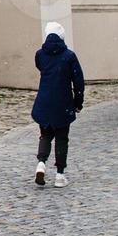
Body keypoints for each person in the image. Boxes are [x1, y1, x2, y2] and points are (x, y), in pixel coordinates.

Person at [32, 21, 85, 189]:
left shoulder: (40, 54)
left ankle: (41, 163)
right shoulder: (69, 56)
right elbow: (78, 81)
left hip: (45, 100)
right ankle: (60, 175)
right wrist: (78, 102)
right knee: (62, 138)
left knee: (45, 134)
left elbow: (40, 67)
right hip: (63, 102)